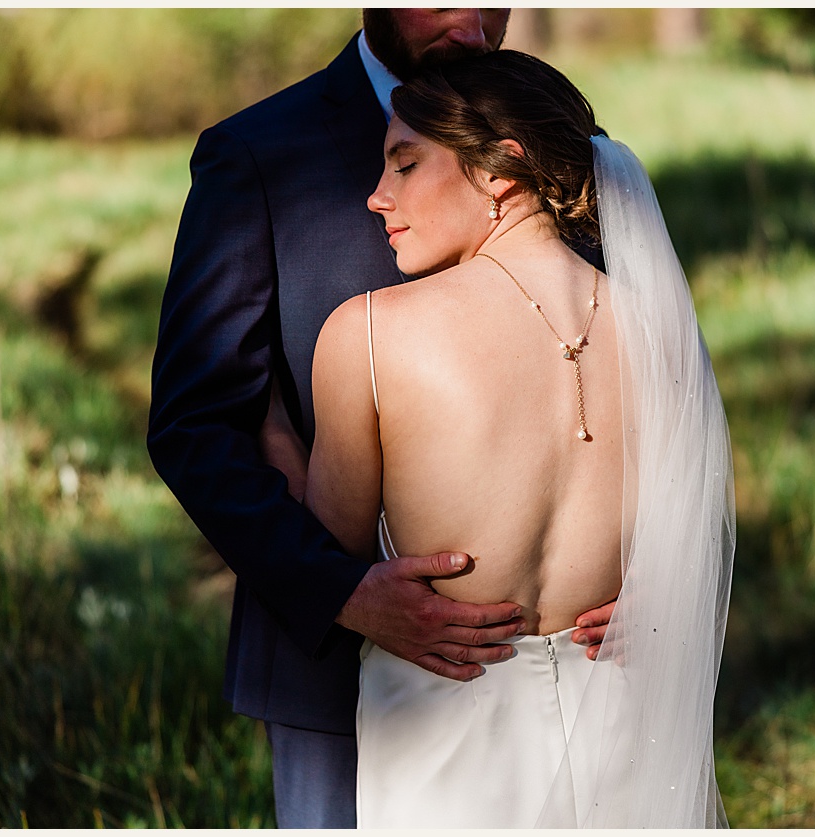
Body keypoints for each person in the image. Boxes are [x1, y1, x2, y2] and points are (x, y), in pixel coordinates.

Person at [149, 9, 611, 827]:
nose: (470, 15)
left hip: (575, 672)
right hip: (333, 665)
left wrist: (649, 578)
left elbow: (620, 380)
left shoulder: (555, 137)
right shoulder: (258, 153)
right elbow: (195, 424)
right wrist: (343, 591)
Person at [293, 49, 732, 826]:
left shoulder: (367, 334)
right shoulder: (660, 323)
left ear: (500, 170)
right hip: (624, 727)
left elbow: (327, 556)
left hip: (446, 741)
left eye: (404, 164)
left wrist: (266, 436)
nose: (376, 196)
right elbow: (696, 532)